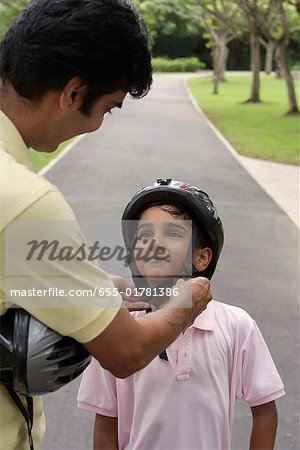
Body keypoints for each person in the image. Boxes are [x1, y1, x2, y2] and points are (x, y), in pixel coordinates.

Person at [0, 2, 212, 449]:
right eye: (109, 109)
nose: (98, 125)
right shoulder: (26, 202)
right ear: (73, 93)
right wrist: (188, 302)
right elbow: (127, 351)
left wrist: (86, 288)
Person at [77, 179, 285, 450]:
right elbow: (106, 420)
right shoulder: (118, 327)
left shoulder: (237, 326)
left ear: (201, 258)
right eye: (144, 235)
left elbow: (265, 409)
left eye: (173, 234)